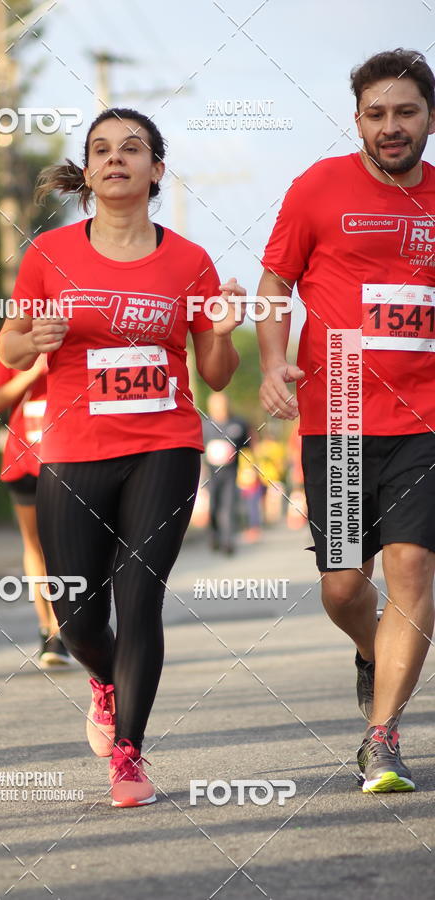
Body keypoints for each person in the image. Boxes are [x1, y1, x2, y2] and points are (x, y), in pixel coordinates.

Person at [0, 107, 246, 807]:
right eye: (101, 149)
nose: (116, 159)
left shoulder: (190, 261)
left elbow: (218, 374)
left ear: (154, 170)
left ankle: (131, 755)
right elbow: (10, 348)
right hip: (74, 448)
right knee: (78, 615)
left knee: (139, 598)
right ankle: (103, 680)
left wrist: (223, 332)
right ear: (89, 170)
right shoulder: (49, 255)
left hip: (163, 445)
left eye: (131, 149)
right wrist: (33, 339)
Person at [257, 49, 435, 793]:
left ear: (429, 116)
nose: (391, 127)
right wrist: (271, 362)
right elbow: (273, 282)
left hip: (426, 417)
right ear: (357, 117)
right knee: (340, 586)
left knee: (414, 568)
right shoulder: (318, 187)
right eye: (377, 113)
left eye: (406, 112)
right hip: (337, 417)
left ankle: (382, 736)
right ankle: (373, 650)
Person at [0, 331, 69, 667]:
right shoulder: (10, 338)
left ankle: (74, 627)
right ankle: (50, 632)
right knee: (36, 545)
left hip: (73, 455)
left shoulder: (79, 327)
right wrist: (33, 372)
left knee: (67, 543)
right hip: (25, 457)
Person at [203, 391, 249, 554]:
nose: (220, 408)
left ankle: (228, 542)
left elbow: (248, 447)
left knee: (229, 505)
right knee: (214, 506)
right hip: (211, 474)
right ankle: (214, 537)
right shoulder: (205, 425)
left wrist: (249, 469)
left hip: (231, 473)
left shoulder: (238, 424)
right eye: (216, 405)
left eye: (222, 404)